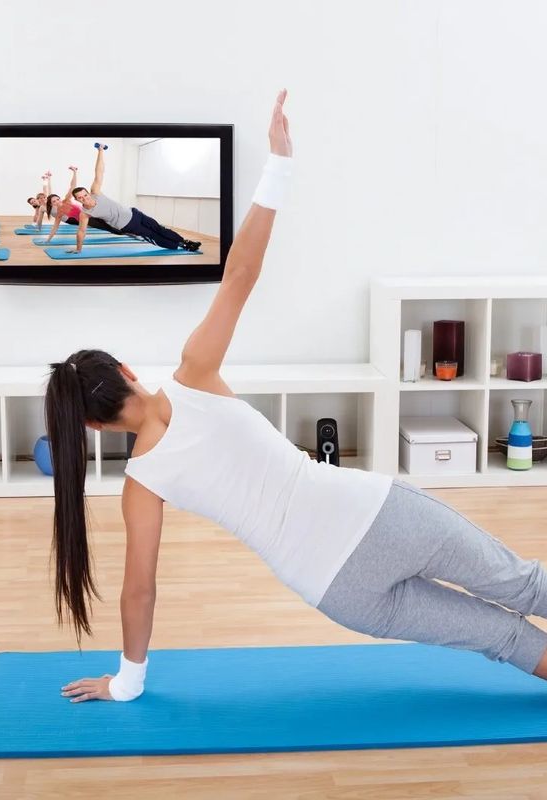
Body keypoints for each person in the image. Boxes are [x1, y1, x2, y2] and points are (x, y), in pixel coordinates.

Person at [46, 90, 547, 705]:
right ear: (126, 369)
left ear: (91, 428)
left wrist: (127, 683)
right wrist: (279, 164)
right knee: (523, 586)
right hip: (380, 517)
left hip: (333, 586)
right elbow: (240, 273)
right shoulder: (194, 374)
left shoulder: (140, 485)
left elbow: (138, 591)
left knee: (500, 637)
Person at [66, 144, 201, 254]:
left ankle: (185, 242)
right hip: (127, 225)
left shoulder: (96, 192)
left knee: (158, 228)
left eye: (85, 195)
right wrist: (78, 249)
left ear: (88, 193)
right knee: (152, 235)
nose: (85, 198)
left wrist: (100, 151)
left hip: (135, 213)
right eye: (81, 198)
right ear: (78, 201)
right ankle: (179, 246)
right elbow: (81, 231)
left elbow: (99, 172)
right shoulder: (85, 213)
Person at [42, 167, 127, 241]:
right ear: (52, 204)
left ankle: (128, 229)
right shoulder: (59, 213)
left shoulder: (67, 200)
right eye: (54, 201)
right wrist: (48, 239)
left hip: (90, 211)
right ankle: (126, 233)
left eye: (57, 199)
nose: (57, 201)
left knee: (110, 220)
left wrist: (75, 172)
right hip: (85, 218)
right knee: (106, 227)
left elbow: (72, 186)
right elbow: (55, 227)